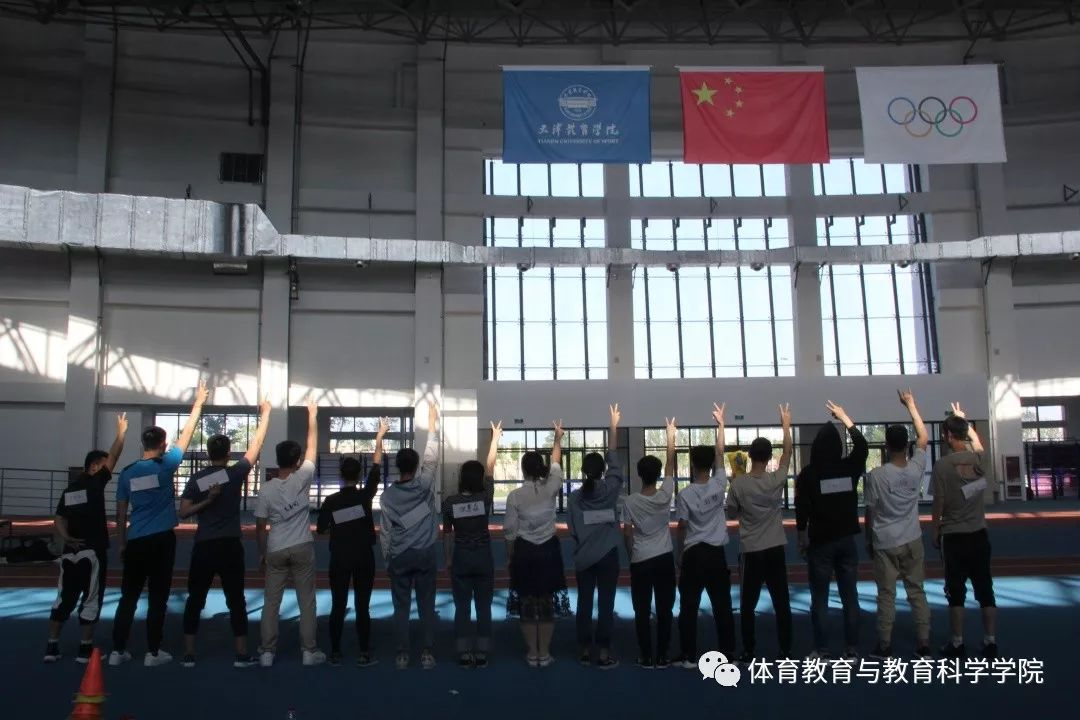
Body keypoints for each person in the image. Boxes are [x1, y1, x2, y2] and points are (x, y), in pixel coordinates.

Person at [111, 382, 209, 668]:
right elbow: (187, 434)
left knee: (128, 597)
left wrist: (122, 543)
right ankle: (153, 652)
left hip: (136, 541)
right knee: (158, 597)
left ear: (143, 445)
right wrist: (198, 402)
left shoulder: (127, 474)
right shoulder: (167, 465)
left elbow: (120, 514)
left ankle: (117, 650)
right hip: (162, 541)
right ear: (164, 446)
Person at [178, 399, 272, 668]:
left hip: (204, 546)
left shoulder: (197, 480)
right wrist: (266, 414)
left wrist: (206, 501)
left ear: (208, 453)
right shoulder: (235, 473)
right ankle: (241, 654)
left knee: (195, 599)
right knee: (236, 600)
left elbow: (183, 512)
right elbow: (257, 444)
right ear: (229, 453)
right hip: (230, 546)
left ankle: (188, 653)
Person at [45, 413, 128, 664]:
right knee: (91, 598)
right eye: (102, 465)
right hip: (92, 552)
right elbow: (114, 456)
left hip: (70, 553)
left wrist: (67, 538)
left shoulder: (69, 491)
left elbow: (59, 519)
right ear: (94, 467)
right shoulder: (94, 485)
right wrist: (121, 433)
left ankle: (52, 646)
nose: (107, 468)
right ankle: (84, 649)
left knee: (64, 598)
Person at [255, 399, 326, 668]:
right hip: (301, 547)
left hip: (275, 548)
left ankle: (267, 652)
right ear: (297, 461)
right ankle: (309, 651)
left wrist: (262, 553)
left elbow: (260, 525)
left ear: (277, 460)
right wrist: (312, 415)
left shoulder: (266, 489)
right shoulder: (302, 477)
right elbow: (312, 446)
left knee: (271, 603)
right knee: (306, 601)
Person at [795, 400, 868, 660]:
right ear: (838, 447)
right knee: (850, 598)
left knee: (820, 599)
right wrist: (845, 418)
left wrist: (801, 538)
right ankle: (851, 649)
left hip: (821, 542)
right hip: (847, 540)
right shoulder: (849, 468)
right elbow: (862, 446)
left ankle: (822, 649)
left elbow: (802, 510)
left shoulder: (808, 474)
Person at [864, 390, 932, 659]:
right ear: (907, 446)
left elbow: (870, 512)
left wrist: (868, 540)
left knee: (886, 594)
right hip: (912, 538)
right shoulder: (916, 468)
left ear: (886, 446)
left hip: (885, 541)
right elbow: (924, 437)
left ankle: (884, 645)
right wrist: (911, 405)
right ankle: (924, 643)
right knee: (916, 591)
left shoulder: (876, 476)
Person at [317, 418, 389, 668]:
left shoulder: (331, 501)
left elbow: (321, 529)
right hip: (363, 557)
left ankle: (335, 652)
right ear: (359, 475)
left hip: (339, 557)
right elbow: (376, 467)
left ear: (340, 475)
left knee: (338, 605)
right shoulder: (365, 495)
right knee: (362, 605)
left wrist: (338, 527)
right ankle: (364, 652)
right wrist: (379, 437)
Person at [726, 403, 794, 662]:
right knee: (781, 602)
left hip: (751, 551)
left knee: (748, 604)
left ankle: (749, 651)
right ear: (768, 457)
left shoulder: (739, 484)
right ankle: (785, 650)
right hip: (775, 548)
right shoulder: (776, 480)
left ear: (750, 456)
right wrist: (786, 425)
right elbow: (788, 453)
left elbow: (732, 514)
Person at [380, 402, 441, 670]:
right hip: (425, 553)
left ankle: (402, 655)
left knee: (401, 607)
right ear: (417, 466)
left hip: (400, 555)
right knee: (427, 605)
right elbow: (432, 456)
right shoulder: (424, 485)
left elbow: (386, 532)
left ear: (397, 467)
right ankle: (427, 653)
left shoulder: (387, 496)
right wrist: (432, 423)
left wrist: (387, 559)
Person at [932, 402, 996, 659]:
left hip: (954, 536)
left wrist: (935, 531)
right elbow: (978, 443)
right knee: (985, 589)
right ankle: (990, 641)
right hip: (979, 534)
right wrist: (963, 421)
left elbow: (938, 503)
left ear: (948, 436)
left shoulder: (942, 466)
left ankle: (957, 642)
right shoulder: (979, 460)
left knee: (956, 592)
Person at [504, 420, 570, 668]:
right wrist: (557, 439)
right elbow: (556, 464)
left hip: (524, 552)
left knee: (527, 602)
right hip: (549, 551)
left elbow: (509, 532)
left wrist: (510, 557)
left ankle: (532, 653)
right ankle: (545, 652)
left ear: (522, 470)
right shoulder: (550, 487)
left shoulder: (514, 496)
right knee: (546, 602)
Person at [674, 403, 735, 668]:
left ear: (692, 464)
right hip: (716, 555)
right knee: (722, 606)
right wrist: (721, 424)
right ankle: (728, 653)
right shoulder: (719, 484)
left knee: (688, 607)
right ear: (711, 465)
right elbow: (720, 452)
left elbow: (682, 527)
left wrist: (679, 555)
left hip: (694, 554)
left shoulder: (685, 494)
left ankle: (689, 656)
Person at [566, 404, 624, 670]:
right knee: (606, 603)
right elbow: (615, 460)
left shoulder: (574, 498)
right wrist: (613, 426)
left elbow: (572, 529)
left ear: (583, 472)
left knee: (584, 603)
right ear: (602, 471)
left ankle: (583, 650)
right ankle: (603, 652)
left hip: (584, 557)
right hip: (608, 556)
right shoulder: (611, 490)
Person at [620, 417, 677, 669]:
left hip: (640, 560)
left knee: (641, 611)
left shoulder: (630, 502)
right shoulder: (665, 495)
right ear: (658, 475)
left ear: (639, 474)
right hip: (664, 558)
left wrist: (631, 554)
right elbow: (670, 466)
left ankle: (645, 656)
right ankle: (662, 656)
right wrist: (670, 437)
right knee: (665, 610)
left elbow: (627, 533)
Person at [442, 421, 498, 668]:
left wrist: (448, 559)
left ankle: (464, 653)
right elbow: (491, 468)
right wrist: (495, 439)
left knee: (462, 607)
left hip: (461, 558)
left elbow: (447, 534)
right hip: (483, 557)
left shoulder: (449, 503)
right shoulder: (485, 499)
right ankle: (482, 653)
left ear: (462, 478)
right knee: (484, 607)